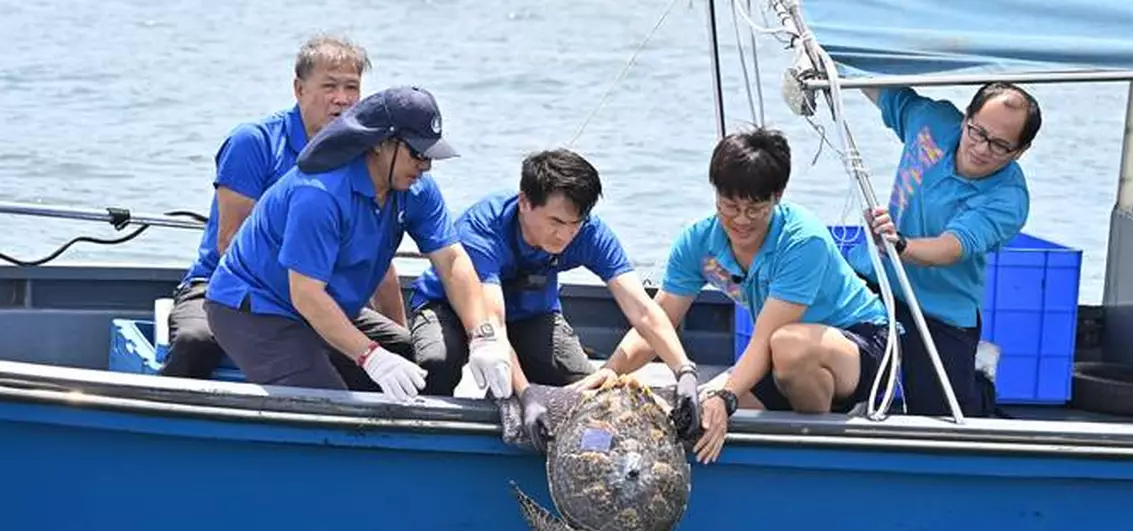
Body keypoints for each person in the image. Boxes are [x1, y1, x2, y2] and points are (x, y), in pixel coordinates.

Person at [588, 127, 891, 464]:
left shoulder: (803, 240)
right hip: (778, 359)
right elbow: (656, 321)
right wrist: (613, 370)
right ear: (715, 194)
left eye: (755, 209)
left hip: (859, 344)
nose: (741, 221)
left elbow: (764, 339)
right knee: (690, 415)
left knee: (787, 345)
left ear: (778, 196)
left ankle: (816, 451)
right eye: (730, 206)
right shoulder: (699, 242)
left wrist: (726, 396)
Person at [203, 86, 512, 401]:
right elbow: (306, 295)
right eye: (417, 153)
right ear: (379, 143)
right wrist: (371, 356)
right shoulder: (320, 194)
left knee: (424, 367)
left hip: (330, 304)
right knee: (328, 403)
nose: (426, 166)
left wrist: (483, 336)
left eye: (430, 155)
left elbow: (452, 261)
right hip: (257, 308)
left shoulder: (416, 189)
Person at [159, 35, 411, 392]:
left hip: (318, 291)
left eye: (351, 87)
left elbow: (374, 253)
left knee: (405, 348)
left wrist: (396, 327)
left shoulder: (366, 157)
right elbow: (229, 241)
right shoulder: (255, 142)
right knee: (196, 341)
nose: (342, 99)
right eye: (329, 86)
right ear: (299, 88)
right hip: (231, 287)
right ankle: (168, 423)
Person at [407, 148, 699, 428]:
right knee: (438, 361)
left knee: (588, 391)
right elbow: (492, 323)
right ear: (524, 202)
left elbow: (644, 310)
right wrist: (525, 394)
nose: (565, 235)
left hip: (530, 317)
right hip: (451, 308)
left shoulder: (589, 233)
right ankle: (428, 431)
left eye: (576, 223)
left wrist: (684, 370)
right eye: (556, 222)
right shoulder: (483, 229)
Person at [848, 81, 1041, 417]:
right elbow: (879, 89)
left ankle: (979, 377)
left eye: (999, 145)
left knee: (941, 415)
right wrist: (829, 59)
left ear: (1020, 151)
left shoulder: (1009, 198)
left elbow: (952, 247)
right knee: (840, 372)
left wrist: (901, 245)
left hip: (942, 308)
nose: (981, 149)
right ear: (966, 117)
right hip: (874, 278)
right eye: (977, 132)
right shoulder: (931, 121)